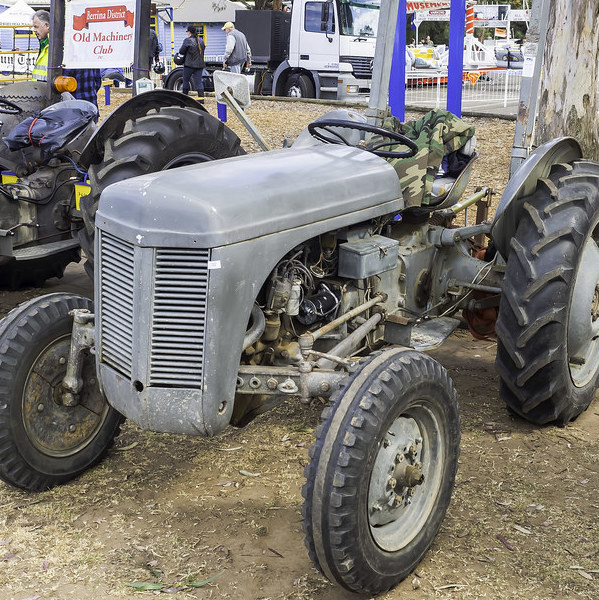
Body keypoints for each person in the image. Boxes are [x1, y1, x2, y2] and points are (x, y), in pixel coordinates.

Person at [32, 10, 102, 111]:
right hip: (89, 107)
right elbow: (97, 80)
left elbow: (60, 88)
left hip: (72, 111)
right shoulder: (89, 52)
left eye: (36, 26)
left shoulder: (63, 55)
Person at [177, 25, 205, 100]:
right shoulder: (201, 40)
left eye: (187, 32)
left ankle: (185, 98)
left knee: (186, 80)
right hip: (199, 65)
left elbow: (181, 51)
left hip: (189, 65)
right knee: (199, 82)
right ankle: (201, 99)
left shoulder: (188, 40)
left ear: (189, 32)